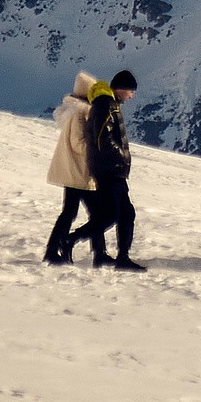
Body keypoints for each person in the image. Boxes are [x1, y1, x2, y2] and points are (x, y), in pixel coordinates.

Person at [86, 69, 146, 271]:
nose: (132, 96)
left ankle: (122, 257)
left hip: (113, 170)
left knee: (125, 214)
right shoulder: (106, 104)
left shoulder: (110, 104)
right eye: (131, 91)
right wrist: (121, 155)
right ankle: (70, 239)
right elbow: (102, 138)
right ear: (121, 89)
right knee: (111, 215)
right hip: (109, 169)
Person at [42, 71, 100, 265]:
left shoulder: (73, 112)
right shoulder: (80, 114)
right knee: (96, 214)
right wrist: (97, 147)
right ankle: (96, 252)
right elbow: (78, 144)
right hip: (79, 172)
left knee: (71, 212)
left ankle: (54, 250)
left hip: (72, 171)